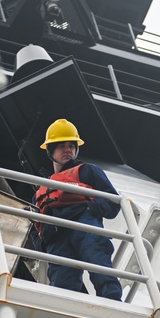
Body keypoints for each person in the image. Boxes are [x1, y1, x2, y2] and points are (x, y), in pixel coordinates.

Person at [33, 119, 123, 301]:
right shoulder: (40, 191)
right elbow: (35, 224)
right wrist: (43, 245)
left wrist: (91, 208)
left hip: (84, 224)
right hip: (56, 237)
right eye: (61, 146)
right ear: (51, 152)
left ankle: (113, 303)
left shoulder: (88, 171)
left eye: (71, 146)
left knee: (98, 262)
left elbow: (112, 202)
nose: (68, 150)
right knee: (62, 285)